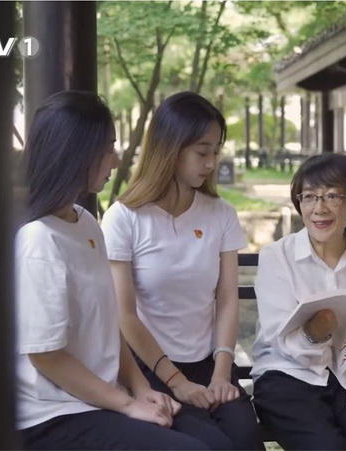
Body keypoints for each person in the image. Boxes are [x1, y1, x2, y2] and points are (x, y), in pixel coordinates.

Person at [15, 90, 208, 450]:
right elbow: (45, 355)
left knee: (217, 442)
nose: (116, 161)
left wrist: (141, 389)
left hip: (100, 400)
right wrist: (128, 405)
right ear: (76, 152)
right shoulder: (38, 240)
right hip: (52, 415)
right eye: (108, 149)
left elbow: (107, 326)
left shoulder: (86, 222)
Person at [102, 91, 262, 450]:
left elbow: (227, 299)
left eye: (216, 152)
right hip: (150, 369)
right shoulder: (124, 218)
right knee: (211, 444)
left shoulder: (221, 214)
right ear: (170, 149)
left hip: (211, 362)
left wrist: (222, 374)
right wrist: (176, 382)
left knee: (246, 438)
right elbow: (124, 315)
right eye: (202, 153)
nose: (211, 163)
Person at [250, 153, 346, 450]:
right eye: (309, 196)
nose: (319, 208)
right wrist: (314, 334)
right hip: (287, 377)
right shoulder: (277, 257)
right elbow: (281, 341)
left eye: (332, 196)